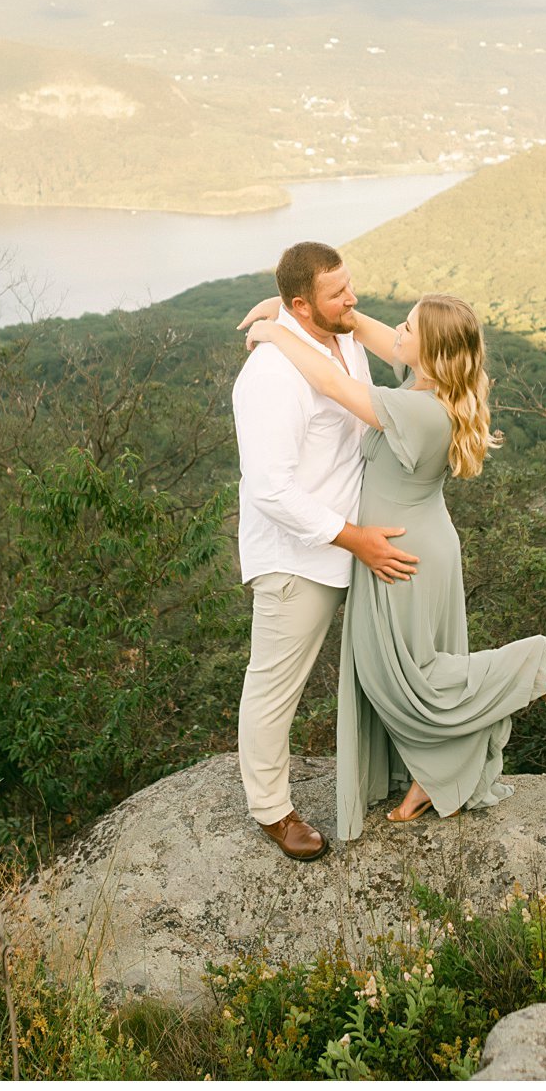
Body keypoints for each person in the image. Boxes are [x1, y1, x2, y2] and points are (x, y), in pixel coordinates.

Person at [241, 288, 546, 840]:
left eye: (408, 328)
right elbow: (373, 333)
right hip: (413, 541)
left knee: (406, 679)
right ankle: (430, 776)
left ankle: (520, 669)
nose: (396, 333)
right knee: (403, 673)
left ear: (430, 352)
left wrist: (277, 333)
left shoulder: (418, 409)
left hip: (402, 553)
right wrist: (297, 308)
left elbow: (335, 385)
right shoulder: (439, 385)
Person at [232, 242, 419, 862]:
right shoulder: (270, 374)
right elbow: (271, 490)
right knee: (275, 685)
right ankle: (271, 810)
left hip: (354, 546)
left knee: (385, 670)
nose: (353, 300)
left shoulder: (345, 339)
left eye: (350, 286)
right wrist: (354, 537)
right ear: (300, 305)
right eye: (338, 294)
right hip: (300, 555)